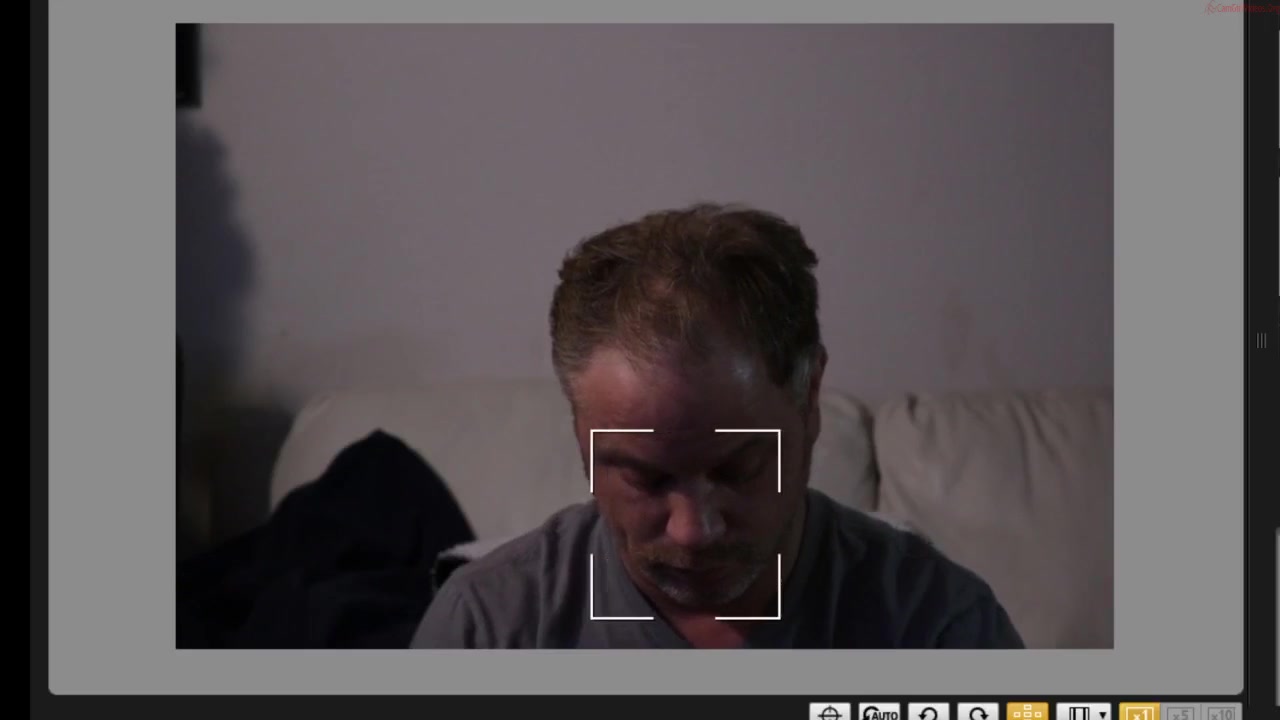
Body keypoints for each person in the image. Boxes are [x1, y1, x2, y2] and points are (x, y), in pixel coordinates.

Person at [411, 203, 1024, 649]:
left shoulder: (937, 625)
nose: (694, 531)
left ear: (809, 399)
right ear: (580, 432)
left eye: (738, 469)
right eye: (646, 480)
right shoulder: (487, 628)